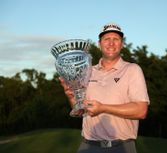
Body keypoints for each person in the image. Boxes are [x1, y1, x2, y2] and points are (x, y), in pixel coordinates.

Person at [59, 23, 150, 153]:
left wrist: (103, 108)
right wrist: (71, 97)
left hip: (121, 147)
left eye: (116, 39)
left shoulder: (132, 70)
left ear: (122, 44)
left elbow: (141, 111)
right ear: (99, 43)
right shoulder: (87, 71)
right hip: (88, 146)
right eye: (107, 39)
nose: (111, 43)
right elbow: (80, 111)